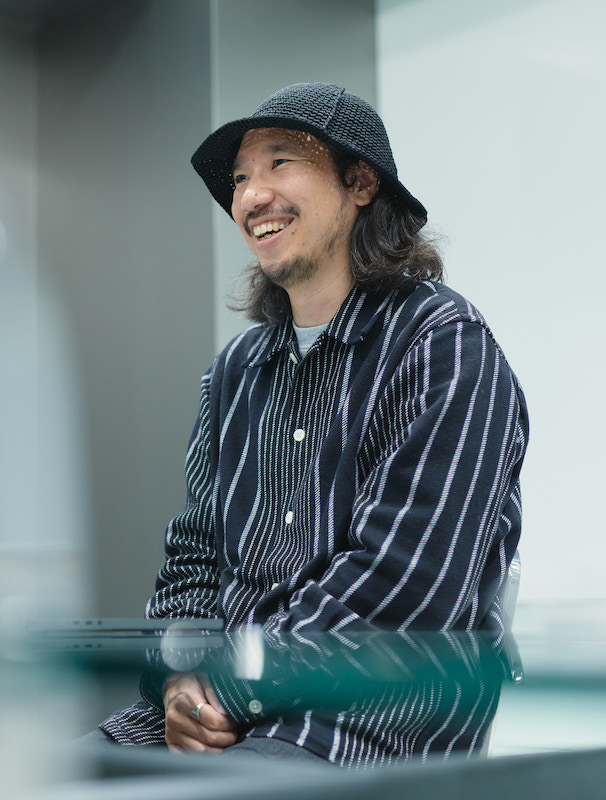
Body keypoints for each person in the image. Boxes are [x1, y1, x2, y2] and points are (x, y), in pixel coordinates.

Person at [86, 83, 529, 768]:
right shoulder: (234, 371)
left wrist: (232, 687)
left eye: (280, 163)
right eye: (240, 179)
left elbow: (403, 587)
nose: (250, 195)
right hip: (213, 720)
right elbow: (192, 560)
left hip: (365, 728)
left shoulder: (443, 345)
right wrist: (181, 684)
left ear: (360, 183)